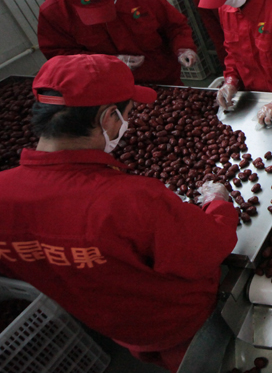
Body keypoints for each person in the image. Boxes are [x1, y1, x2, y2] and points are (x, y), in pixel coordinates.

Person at [0, 54, 237, 373]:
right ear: (109, 117)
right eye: (128, 112)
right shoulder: (131, 200)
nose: (129, 120)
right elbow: (209, 247)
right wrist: (218, 203)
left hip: (113, 327)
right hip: (181, 322)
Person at [38, 0, 197, 86]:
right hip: (107, 84)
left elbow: (176, 26)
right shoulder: (54, 13)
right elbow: (59, 55)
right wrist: (108, 63)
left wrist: (184, 48)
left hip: (162, 77)